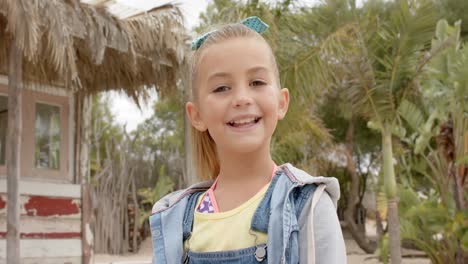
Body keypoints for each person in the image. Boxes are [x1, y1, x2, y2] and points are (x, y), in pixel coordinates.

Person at [149, 17, 346, 264]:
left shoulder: (307, 205)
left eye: (257, 82)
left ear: (281, 102)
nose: (242, 98)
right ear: (196, 115)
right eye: (221, 88)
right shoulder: (176, 219)